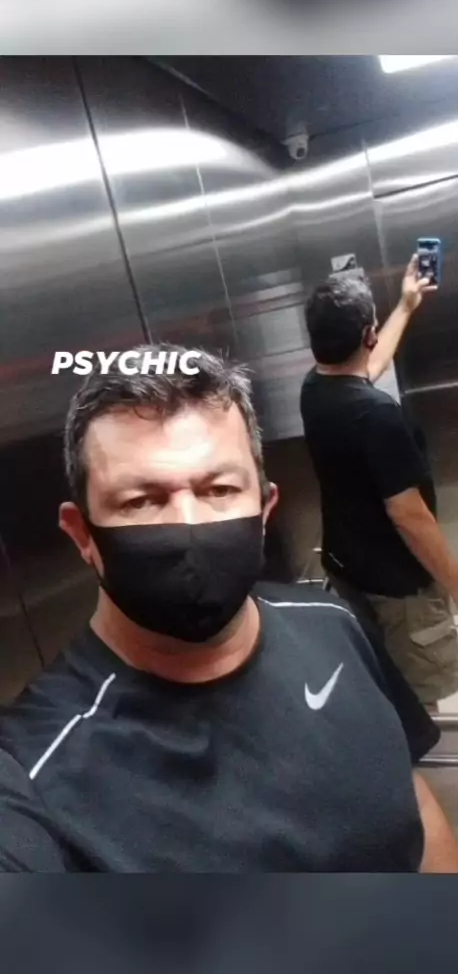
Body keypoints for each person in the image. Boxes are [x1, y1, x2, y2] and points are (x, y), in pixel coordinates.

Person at [0, 342, 455, 873]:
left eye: (218, 489)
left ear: (264, 508)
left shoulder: (335, 624)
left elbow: (414, 808)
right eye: (140, 500)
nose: (188, 526)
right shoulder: (32, 774)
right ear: (83, 535)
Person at [301, 256, 458, 711]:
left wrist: (406, 306)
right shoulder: (378, 415)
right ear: (368, 335)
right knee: (423, 697)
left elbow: (367, 366)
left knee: (387, 680)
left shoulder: (316, 389)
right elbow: (409, 516)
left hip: (350, 568)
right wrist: (454, 583)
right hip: (398, 586)